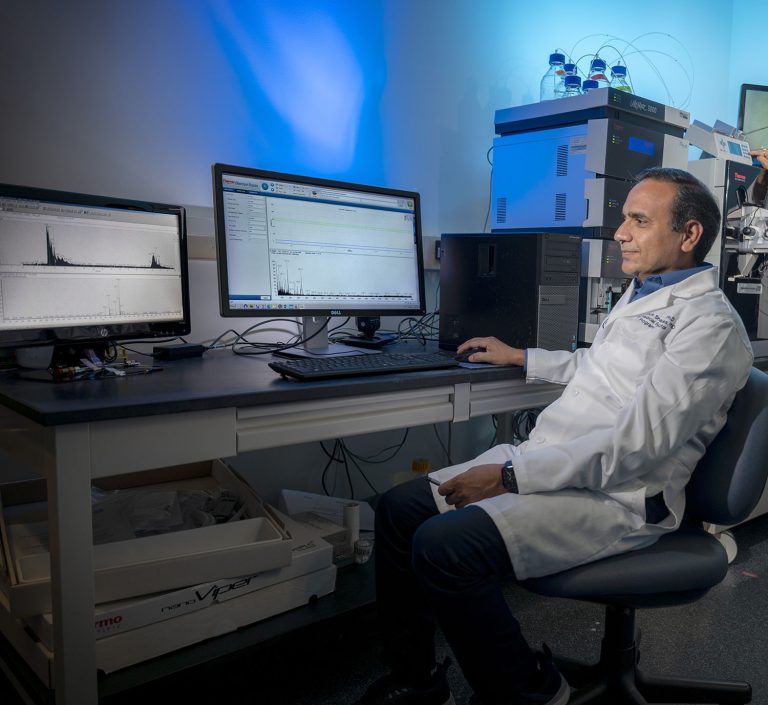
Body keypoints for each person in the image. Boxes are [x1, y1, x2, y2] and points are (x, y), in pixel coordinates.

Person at [352, 167, 754, 705]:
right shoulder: (645, 291)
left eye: (638, 220)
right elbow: (605, 368)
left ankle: (537, 693)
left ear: (688, 235)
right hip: (563, 462)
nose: (620, 233)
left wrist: (512, 477)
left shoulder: (710, 325)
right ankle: (417, 681)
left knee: (446, 547)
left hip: (623, 495)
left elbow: (638, 448)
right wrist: (523, 357)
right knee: (400, 510)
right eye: (622, 218)